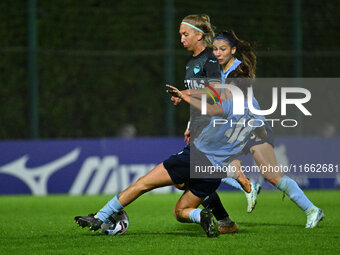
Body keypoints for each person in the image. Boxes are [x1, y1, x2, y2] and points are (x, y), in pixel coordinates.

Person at [205, 30, 324, 228]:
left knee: (272, 175)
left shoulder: (238, 69)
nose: (217, 53)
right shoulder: (220, 72)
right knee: (209, 162)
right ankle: (249, 187)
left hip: (253, 127)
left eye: (222, 49)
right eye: (215, 49)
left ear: (233, 50)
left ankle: (312, 210)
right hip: (237, 129)